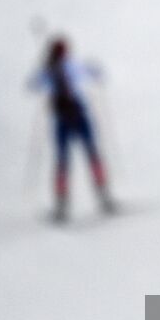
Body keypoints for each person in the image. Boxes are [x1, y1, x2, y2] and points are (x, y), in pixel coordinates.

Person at [29, 37, 114, 222]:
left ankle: (64, 206)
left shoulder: (52, 69)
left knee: (66, 161)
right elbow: (95, 73)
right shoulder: (67, 67)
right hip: (75, 116)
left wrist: (42, 71)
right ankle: (102, 198)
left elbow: (33, 85)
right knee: (88, 155)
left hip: (65, 119)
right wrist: (95, 70)